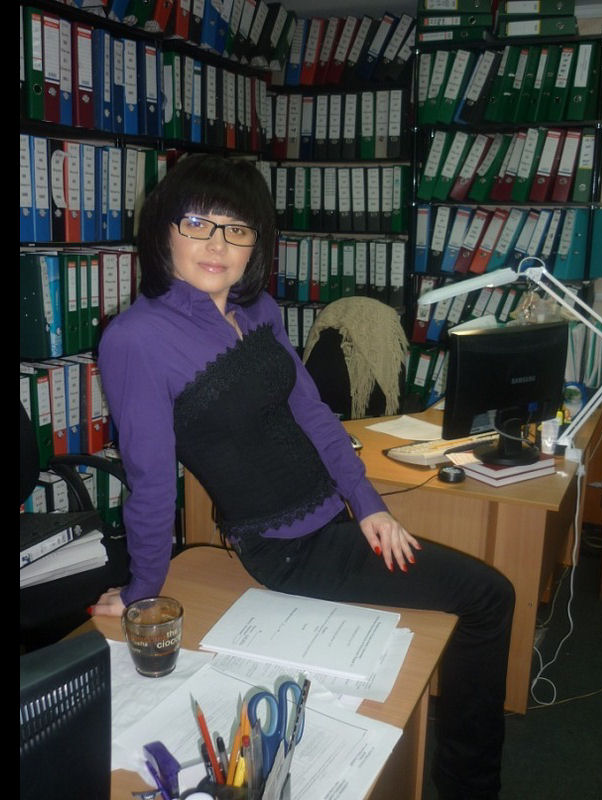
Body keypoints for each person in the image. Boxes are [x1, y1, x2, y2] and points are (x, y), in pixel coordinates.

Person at [93, 153, 515, 800]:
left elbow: (312, 412)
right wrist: (142, 592)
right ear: (163, 231)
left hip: (335, 522)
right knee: (488, 597)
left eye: (237, 229)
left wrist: (368, 503)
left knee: (464, 604)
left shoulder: (257, 309)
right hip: (285, 551)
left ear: (256, 242)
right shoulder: (136, 339)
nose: (218, 244)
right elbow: (150, 483)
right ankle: (469, 787)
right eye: (198, 223)